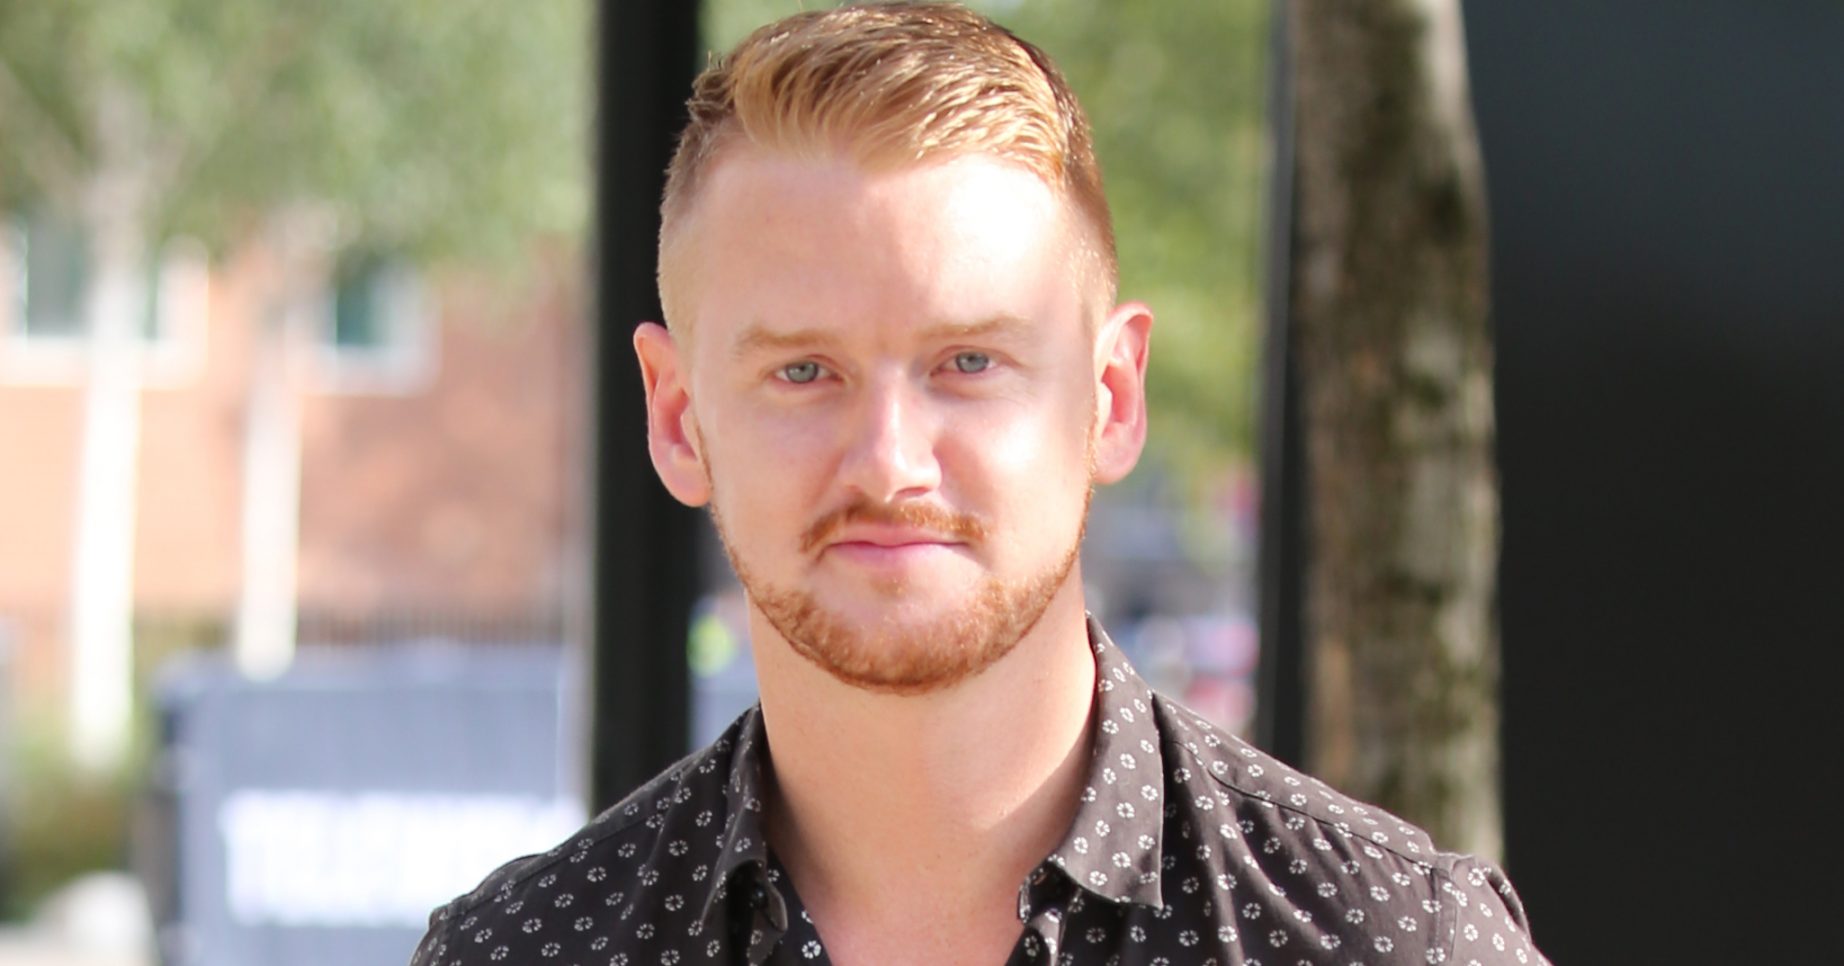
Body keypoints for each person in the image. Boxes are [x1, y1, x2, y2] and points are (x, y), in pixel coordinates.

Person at [411, 3, 1547, 964]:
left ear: (1109, 397)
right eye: (804, 371)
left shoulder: (1386, 942)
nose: (891, 462)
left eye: (968, 364)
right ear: (676, 418)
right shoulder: (527, 950)